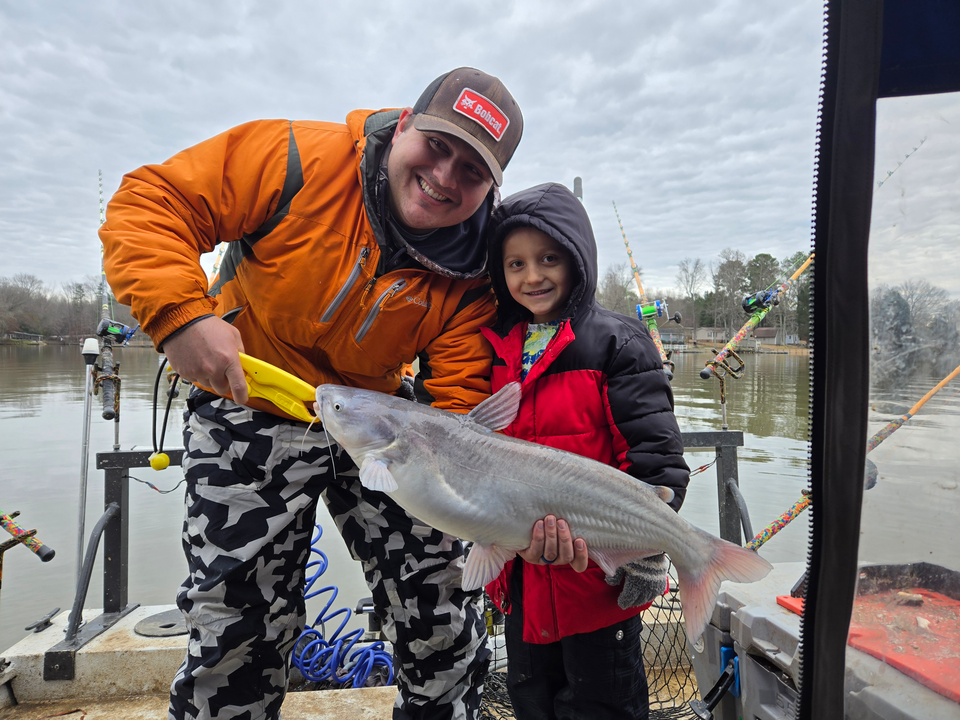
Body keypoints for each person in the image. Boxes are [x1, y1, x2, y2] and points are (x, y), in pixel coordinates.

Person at [100, 68, 583, 720]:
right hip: (250, 399)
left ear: (491, 187)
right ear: (404, 124)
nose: (444, 176)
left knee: (442, 611)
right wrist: (181, 317)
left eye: (471, 170)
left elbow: (460, 403)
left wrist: (501, 515)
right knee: (236, 626)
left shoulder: (477, 269)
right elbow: (150, 201)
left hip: (385, 420)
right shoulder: (296, 158)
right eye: (437, 145)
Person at [480, 183, 691, 720]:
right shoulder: (492, 345)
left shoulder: (618, 342)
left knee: (602, 706)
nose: (532, 276)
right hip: (524, 577)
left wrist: (646, 550)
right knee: (532, 701)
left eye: (549, 258)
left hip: (598, 583)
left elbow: (657, 464)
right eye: (516, 263)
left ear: (578, 258)